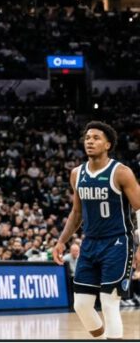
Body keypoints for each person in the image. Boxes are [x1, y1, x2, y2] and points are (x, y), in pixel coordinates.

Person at [53, 122, 140, 340]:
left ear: (108, 144)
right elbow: (76, 213)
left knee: (109, 302)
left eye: (96, 138)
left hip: (118, 242)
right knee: (81, 305)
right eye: (87, 138)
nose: (90, 141)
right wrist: (61, 241)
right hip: (90, 242)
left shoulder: (121, 172)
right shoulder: (77, 174)